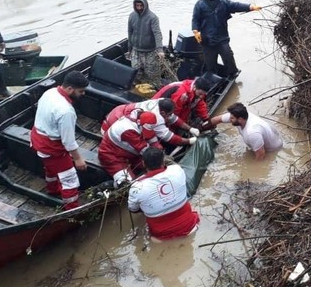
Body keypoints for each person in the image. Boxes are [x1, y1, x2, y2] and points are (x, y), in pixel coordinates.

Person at [30, 71, 89, 209]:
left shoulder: (49, 92)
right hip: (52, 147)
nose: (83, 94)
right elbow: (68, 141)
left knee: (51, 169)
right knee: (70, 180)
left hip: (38, 139)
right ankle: (72, 209)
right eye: (81, 91)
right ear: (69, 89)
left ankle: (53, 189)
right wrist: (78, 159)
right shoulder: (66, 111)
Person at [128, 148, 201, 241]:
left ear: (143, 164)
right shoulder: (177, 171)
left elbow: (133, 209)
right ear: (163, 161)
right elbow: (171, 166)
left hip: (160, 236)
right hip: (190, 226)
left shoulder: (136, 187)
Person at [191, 0, 261, 77]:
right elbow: (195, 19)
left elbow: (236, 5)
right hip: (207, 40)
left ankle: (232, 75)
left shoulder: (223, 2)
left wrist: (250, 7)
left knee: (228, 57)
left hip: (222, 38)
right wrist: (195, 30)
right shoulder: (199, 4)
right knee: (210, 63)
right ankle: (211, 77)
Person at [98, 111, 164, 187]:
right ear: (139, 123)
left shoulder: (144, 120)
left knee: (152, 166)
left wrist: (158, 147)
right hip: (111, 155)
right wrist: (160, 156)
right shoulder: (128, 130)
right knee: (127, 184)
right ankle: (109, 186)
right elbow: (146, 151)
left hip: (128, 154)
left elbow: (151, 137)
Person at [101, 98, 200, 148]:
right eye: (169, 114)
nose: (171, 116)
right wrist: (189, 141)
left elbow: (173, 118)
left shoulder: (161, 102)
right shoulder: (156, 118)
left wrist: (190, 129)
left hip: (119, 111)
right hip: (113, 125)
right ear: (163, 113)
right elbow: (170, 138)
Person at [208, 102, 282, 160]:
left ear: (240, 119)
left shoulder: (252, 133)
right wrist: (201, 128)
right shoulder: (239, 116)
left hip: (273, 149)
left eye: (232, 118)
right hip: (271, 136)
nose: (230, 120)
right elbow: (216, 119)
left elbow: (261, 155)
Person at [127, 0, 164, 88]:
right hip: (136, 50)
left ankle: (155, 91)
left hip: (150, 52)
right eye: (137, 6)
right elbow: (130, 32)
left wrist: (160, 50)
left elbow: (157, 33)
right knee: (136, 73)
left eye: (141, 5)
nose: (139, 8)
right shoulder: (132, 16)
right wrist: (129, 49)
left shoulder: (152, 18)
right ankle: (138, 91)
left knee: (152, 75)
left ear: (145, 5)